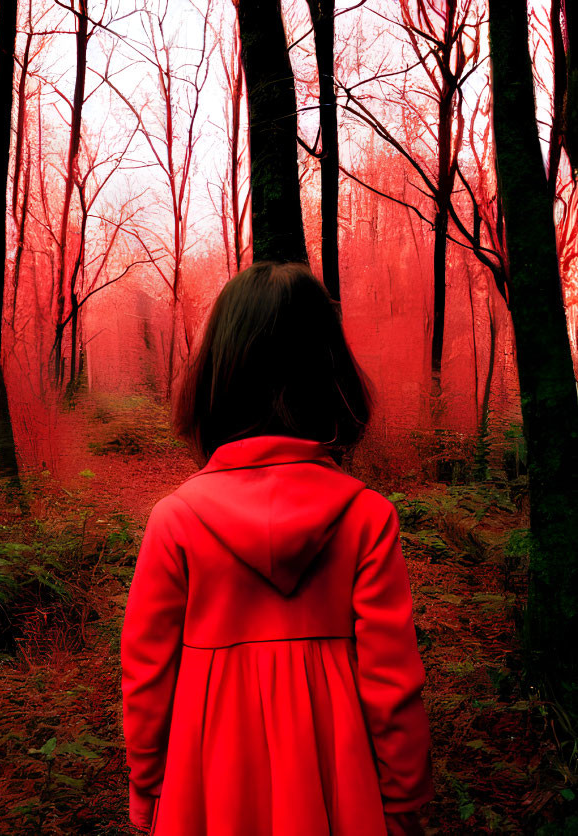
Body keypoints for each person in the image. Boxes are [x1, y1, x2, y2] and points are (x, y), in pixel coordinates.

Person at [121, 262, 433, 835]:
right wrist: (402, 805)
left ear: (216, 376)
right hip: (341, 794)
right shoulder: (366, 518)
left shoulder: (175, 523)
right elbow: (393, 690)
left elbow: (146, 681)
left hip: (205, 793)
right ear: (331, 374)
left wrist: (148, 796)